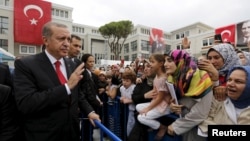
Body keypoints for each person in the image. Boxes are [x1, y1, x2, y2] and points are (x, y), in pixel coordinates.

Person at [13, 21, 100, 141]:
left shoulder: (72, 64)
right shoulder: (26, 65)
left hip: (72, 133)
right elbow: (26, 103)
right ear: (46, 40)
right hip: (44, 135)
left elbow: (77, 95)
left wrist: (90, 112)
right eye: (61, 39)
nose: (66, 44)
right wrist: (66, 87)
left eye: (68, 39)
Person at [165, 49, 213, 141]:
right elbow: (178, 101)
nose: (165, 64)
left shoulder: (201, 77)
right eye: (165, 61)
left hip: (197, 128)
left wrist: (177, 126)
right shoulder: (174, 78)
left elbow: (201, 112)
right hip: (184, 125)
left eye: (170, 60)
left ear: (181, 61)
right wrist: (173, 106)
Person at [198, 65, 250, 138]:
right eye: (229, 80)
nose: (230, 84)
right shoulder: (219, 99)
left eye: (238, 81)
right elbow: (204, 121)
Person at [136, 54, 171, 141]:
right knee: (138, 107)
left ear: (160, 63)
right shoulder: (157, 76)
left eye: (152, 62)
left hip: (164, 106)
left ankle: (161, 127)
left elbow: (160, 98)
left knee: (140, 117)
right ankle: (154, 124)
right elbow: (156, 94)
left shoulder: (163, 78)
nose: (150, 64)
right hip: (157, 103)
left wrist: (148, 108)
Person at [127, 59, 155, 141]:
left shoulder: (159, 83)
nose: (145, 69)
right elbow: (134, 97)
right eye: (144, 67)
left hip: (152, 122)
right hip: (140, 120)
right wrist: (144, 96)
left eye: (148, 66)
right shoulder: (142, 82)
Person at [79, 53, 102, 141]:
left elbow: (94, 90)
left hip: (92, 104)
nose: (92, 63)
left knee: (90, 128)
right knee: (86, 127)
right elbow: (87, 92)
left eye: (93, 61)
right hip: (87, 106)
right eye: (90, 61)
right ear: (84, 63)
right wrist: (97, 102)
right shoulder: (83, 74)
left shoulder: (93, 75)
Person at [119, 70, 136, 137]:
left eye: (127, 81)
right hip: (124, 110)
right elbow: (122, 98)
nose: (124, 82)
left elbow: (136, 99)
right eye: (123, 80)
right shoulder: (121, 88)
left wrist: (129, 100)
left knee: (130, 128)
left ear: (132, 81)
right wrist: (121, 98)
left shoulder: (134, 88)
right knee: (123, 126)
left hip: (132, 111)